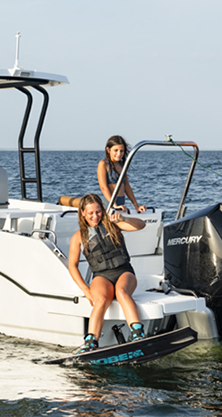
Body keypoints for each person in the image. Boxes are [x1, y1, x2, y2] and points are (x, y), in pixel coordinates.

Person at [67, 193, 147, 354]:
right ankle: (91, 342)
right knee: (101, 300)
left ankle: (137, 333)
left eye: (98, 212)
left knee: (121, 292)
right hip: (101, 276)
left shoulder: (113, 225)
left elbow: (141, 225)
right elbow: (72, 266)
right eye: (90, 213)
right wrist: (86, 290)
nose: (95, 216)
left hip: (124, 271)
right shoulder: (78, 237)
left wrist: (124, 219)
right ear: (82, 213)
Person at [97, 135, 146, 214]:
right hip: (108, 204)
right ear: (108, 150)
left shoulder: (122, 165)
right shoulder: (103, 164)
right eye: (115, 150)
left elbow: (126, 186)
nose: (119, 154)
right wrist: (114, 205)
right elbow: (103, 187)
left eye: (121, 151)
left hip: (121, 203)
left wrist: (136, 206)